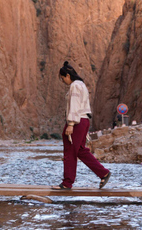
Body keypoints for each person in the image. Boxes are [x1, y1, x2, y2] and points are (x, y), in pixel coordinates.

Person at [52, 61, 111, 190]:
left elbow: (74, 105)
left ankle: (67, 183)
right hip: (84, 120)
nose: (63, 81)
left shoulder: (74, 86)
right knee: (79, 150)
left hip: (77, 121)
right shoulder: (82, 85)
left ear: (68, 75)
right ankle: (103, 173)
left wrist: (71, 124)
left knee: (70, 151)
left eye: (63, 78)